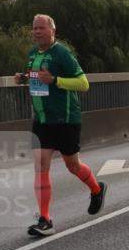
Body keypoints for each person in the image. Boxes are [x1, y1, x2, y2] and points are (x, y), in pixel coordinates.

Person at [14, 14, 105, 237]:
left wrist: (55, 80)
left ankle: (96, 189)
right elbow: (38, 77)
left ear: (53, 30)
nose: (37, 32)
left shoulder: (62, 53)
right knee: (41, 165)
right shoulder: (33, 53)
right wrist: (24, 78)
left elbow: (83, 84)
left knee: (72, 165)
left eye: (41, 28)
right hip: (42, 120)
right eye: (34, 28)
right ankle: (45, 218)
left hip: (66, 119)